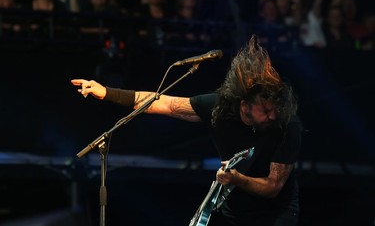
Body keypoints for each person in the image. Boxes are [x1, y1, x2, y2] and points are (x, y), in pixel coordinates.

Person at [71, 35, 303, 226]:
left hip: (277, 215)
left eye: (274, 110)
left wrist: (238, 179)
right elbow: (161, 102)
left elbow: (273, 186)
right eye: (265, 110)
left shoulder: (286, 125)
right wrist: (105, 92)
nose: (272, 115)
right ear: (245, 105)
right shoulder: (218, 107)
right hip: (237, 212)